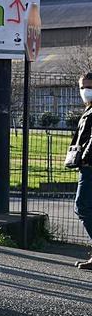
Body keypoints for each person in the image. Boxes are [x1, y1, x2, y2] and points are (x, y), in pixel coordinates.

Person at [70, 73, 92, 270]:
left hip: (90, 166)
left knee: (82, 206)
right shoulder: (89, 110)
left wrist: (84, 157)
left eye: (88, 87)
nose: (85, 91)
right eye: (82, 87)